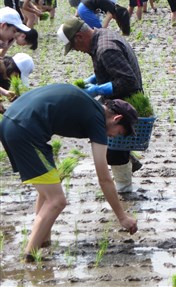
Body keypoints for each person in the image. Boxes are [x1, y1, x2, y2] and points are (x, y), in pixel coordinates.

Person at [0, 84, 138, 260]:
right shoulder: (97, 119)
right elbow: (104, 178)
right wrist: (122, 217)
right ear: (117, 118)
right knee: (57, 200)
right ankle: (30, 256)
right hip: (25, 131)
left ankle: (43, 240)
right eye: (121, 132)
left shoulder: (91, 107)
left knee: (49, 189)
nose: (116, 136)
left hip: (10, 122)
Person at [57, 17, 144, 192]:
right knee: (111, 144)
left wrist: (97, 89)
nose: (76, 51)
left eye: (73, 46)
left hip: (122, 103)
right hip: (117, 100)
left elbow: (128, 81)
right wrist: (95, 78)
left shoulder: (105, 48)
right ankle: (128, 163)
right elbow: (112, 68)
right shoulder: (102, 35)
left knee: (113, 150)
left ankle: (124, 189)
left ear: (80, 36)